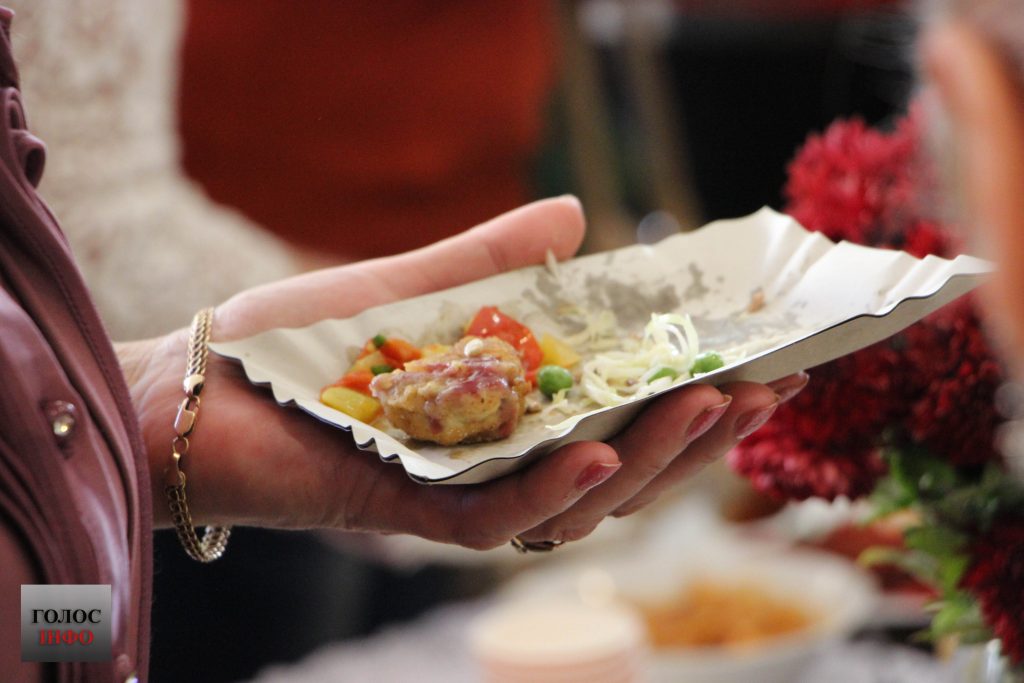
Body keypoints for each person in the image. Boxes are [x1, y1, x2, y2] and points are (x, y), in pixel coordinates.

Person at [0, 8, 793, 681]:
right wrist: (297, 353)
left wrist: (140, 413)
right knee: (128, 639)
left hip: (111, 441)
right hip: (102, 461)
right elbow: (93, 202)